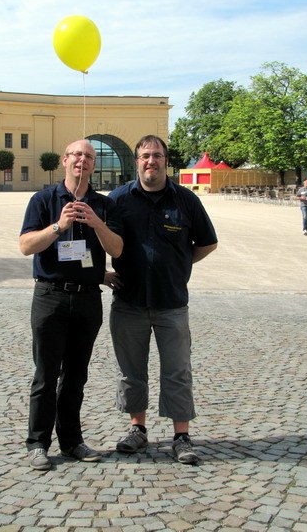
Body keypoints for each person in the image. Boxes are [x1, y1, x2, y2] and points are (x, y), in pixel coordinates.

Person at [105, 135, 218, 465]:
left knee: (177, 371)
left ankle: (181, 436)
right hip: (128, 302)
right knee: (131, 371)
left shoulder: (185, 200)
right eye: (144, 156)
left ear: (165, 161)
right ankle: (137, 429)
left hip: (171, 303)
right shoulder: (118, 200)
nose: (150, 161)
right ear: (136, 162)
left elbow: (207, 243)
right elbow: (101, 240)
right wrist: (101, 274)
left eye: (156, 155)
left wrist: (180, 262)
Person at [19, 139, 123, 470]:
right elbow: (25, 246)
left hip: (88, 298)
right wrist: (58, 226)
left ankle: (72, 441)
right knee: (46, 375)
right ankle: (37, 443)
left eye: (89, 157)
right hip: (50, 296)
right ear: (65, 160)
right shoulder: (43, 200)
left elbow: (118, 249)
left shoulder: (103, 205)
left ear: (93, 166)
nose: (82, 160)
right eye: (77, 155)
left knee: (76, 375)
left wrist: (96, 223)